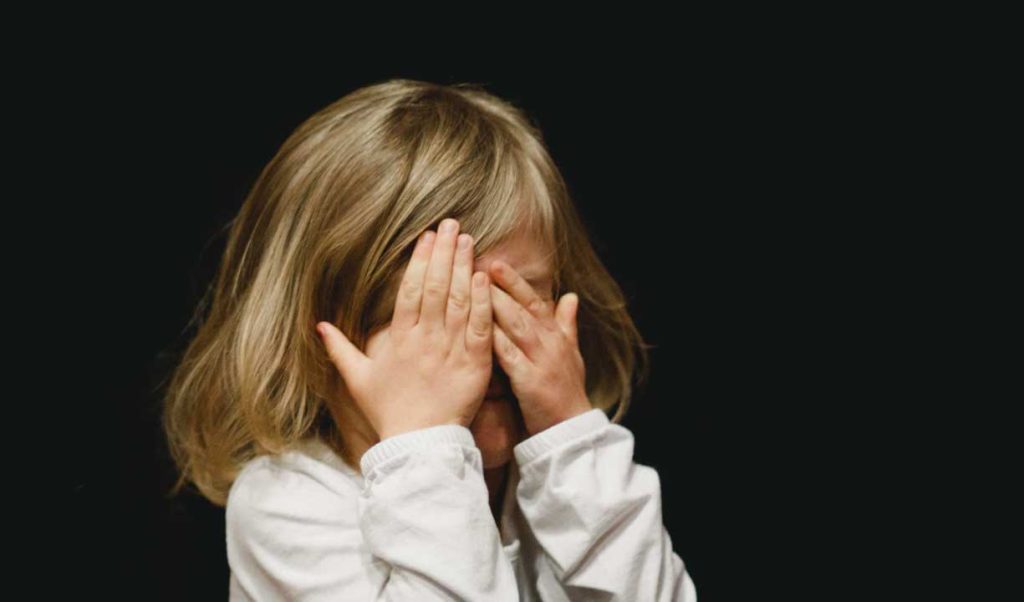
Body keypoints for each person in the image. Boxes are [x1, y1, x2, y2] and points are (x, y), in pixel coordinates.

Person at [161, 78, 698, 601]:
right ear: (321, 334)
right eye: (439, 315)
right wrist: (425, 445)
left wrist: (573, 441)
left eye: (517, 304)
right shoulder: (286, 503)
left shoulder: (568, 481)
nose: (484, 346)